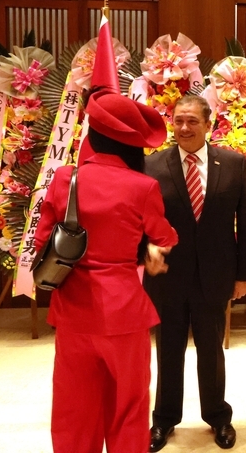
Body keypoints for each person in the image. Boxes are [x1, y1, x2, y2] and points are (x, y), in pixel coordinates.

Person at [35, 88, 178, 453]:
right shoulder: (143, 186)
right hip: (123, 313)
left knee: (73, 407)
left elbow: (41, 242)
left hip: (73, 311)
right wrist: (147, 248)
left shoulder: (66, 179)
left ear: (93, 135)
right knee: (128, 406)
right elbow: (164, 236)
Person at [144, 94, 246, 451]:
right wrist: (143, 249)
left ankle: (218, 416)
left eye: (192, 121)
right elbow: (139, 218)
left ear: (209, 124)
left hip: (215, 274)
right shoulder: (152, 166)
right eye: (178, 120)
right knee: (168, 349)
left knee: (212, 349)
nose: (184, 128)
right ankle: (163, 419)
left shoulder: (233, 163)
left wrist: (244, 274)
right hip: (167, 275)